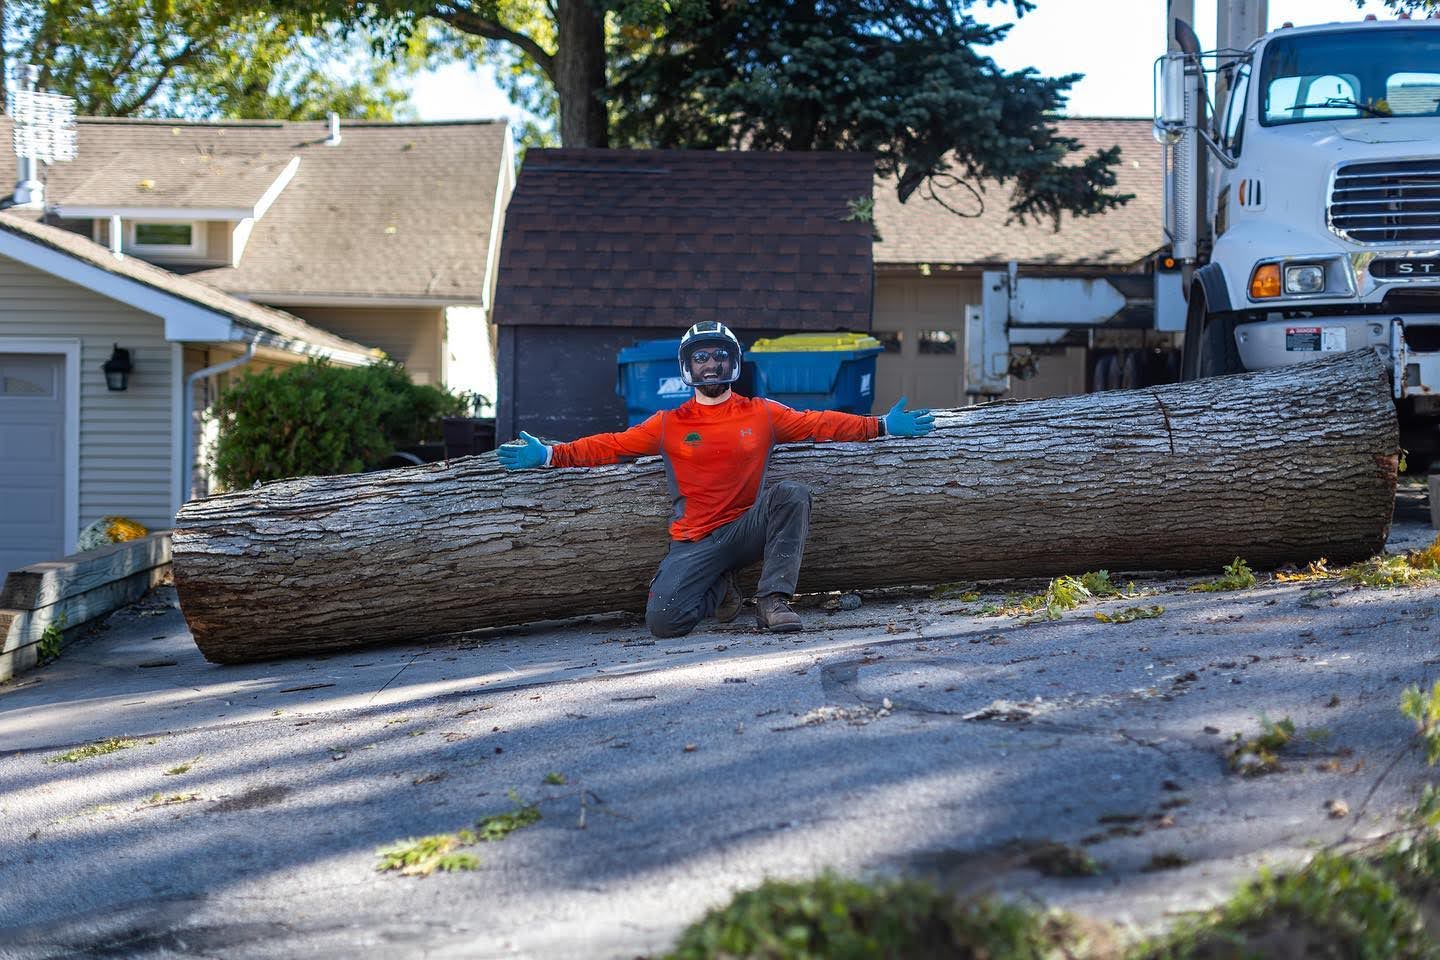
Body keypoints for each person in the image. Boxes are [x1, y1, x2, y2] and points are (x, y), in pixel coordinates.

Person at [497, 321, 935, 636]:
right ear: (687, 366)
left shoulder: (761, 413)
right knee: (665, 623)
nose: (711, 363)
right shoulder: (669, 422)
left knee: (791, 494)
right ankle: (721, 587)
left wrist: (879, 426)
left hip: (746, 529)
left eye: (719, 355)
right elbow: (611, 444)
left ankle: (772, 601)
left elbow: (819, 422)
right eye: (701, 357)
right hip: (694, 541)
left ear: (734, 363)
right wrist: (550, 455)